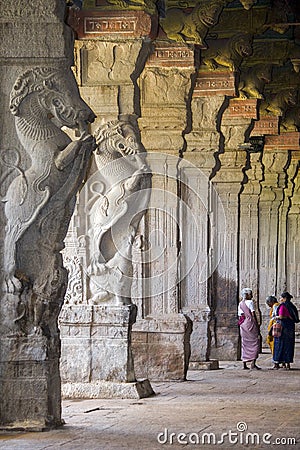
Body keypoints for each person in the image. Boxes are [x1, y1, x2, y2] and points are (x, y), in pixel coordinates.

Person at [272, 291, 299, 370]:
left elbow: (281, 316)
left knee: (279, 345)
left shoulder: (283, 306)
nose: (280, 299)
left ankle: (277, 363)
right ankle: (287, 364)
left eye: (281, 298)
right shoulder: (292, 306)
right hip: (290, 327)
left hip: (283, 327)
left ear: (284, 298)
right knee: (289, 345)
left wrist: (276, 317)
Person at [238, 288, 261, 370]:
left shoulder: (240, 303)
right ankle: (253, 364)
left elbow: (240, 315)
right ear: (247, 295)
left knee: (244, 343)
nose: (252, 296)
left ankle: (244, 364)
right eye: (250, 294)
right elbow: (253, 314)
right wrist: (257, 325)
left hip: (243, 324)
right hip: (250, 323)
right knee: (254, 342)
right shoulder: (250, 302)